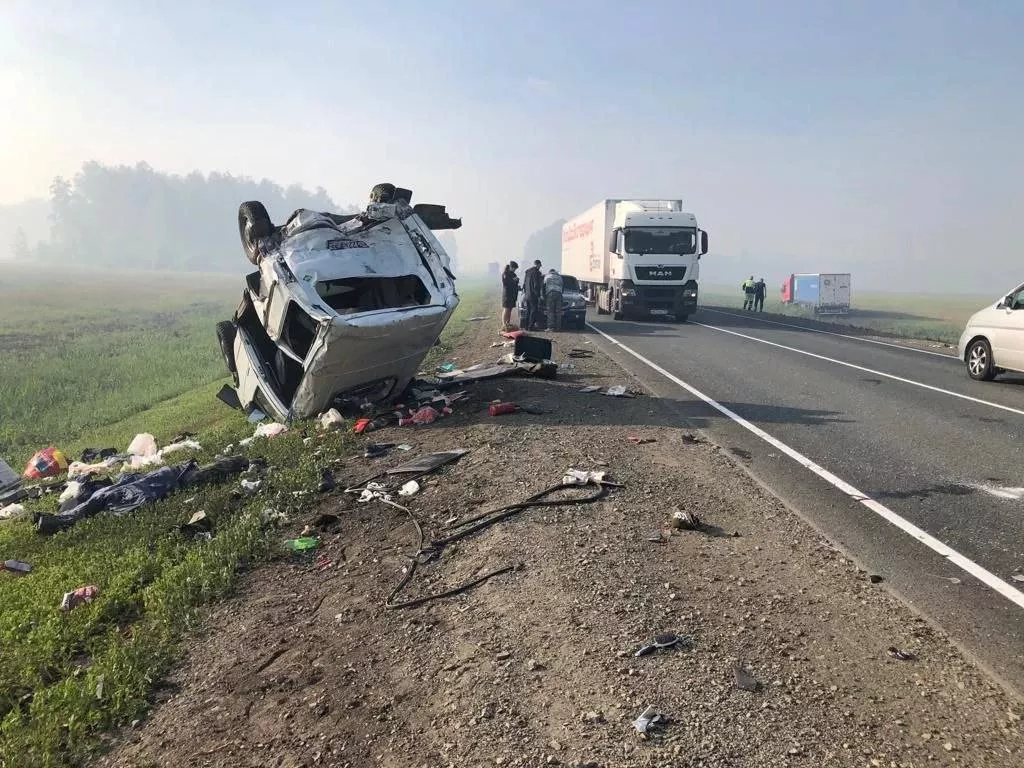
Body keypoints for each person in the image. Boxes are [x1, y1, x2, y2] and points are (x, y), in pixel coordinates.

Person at [522, 259, 544, 331]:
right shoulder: (536, 273)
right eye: (540, 265)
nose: (540, 267)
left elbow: (524, 284)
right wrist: (538, 295)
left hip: (527, 294)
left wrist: (525, 293)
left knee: (528, 310)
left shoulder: (527, 272)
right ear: (537, 264)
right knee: (533, 311)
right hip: (533, 295)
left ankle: (526, 326)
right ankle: (531, 327)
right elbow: (536, 285)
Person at [501, 262, 520, 330]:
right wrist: (513, 280)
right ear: (511, 267)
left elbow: (515, 283)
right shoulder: (505, 273)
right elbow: (506, 284)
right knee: (506, 309)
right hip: (507, 295)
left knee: (510, 309)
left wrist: (517, 281)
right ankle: (504, 325)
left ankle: (507, 323)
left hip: (513, 295)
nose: (515, 270)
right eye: (514, 268)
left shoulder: (513, 274)